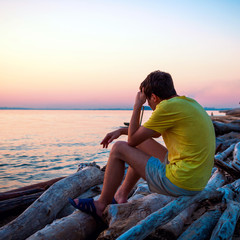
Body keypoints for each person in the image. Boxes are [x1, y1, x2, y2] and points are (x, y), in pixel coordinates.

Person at [69, 70, 216, 218]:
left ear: (154, 97)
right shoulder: (188, 103)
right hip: (196, 180)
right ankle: (121, 195)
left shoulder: (166, 107)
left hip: (181, 182)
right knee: (139, 144)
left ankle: (101, 204)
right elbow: (148, 135)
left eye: (148, 100)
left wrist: (137, 106)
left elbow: (132, 140)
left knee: (119, 148)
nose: (150, 105)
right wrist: (121, 130)